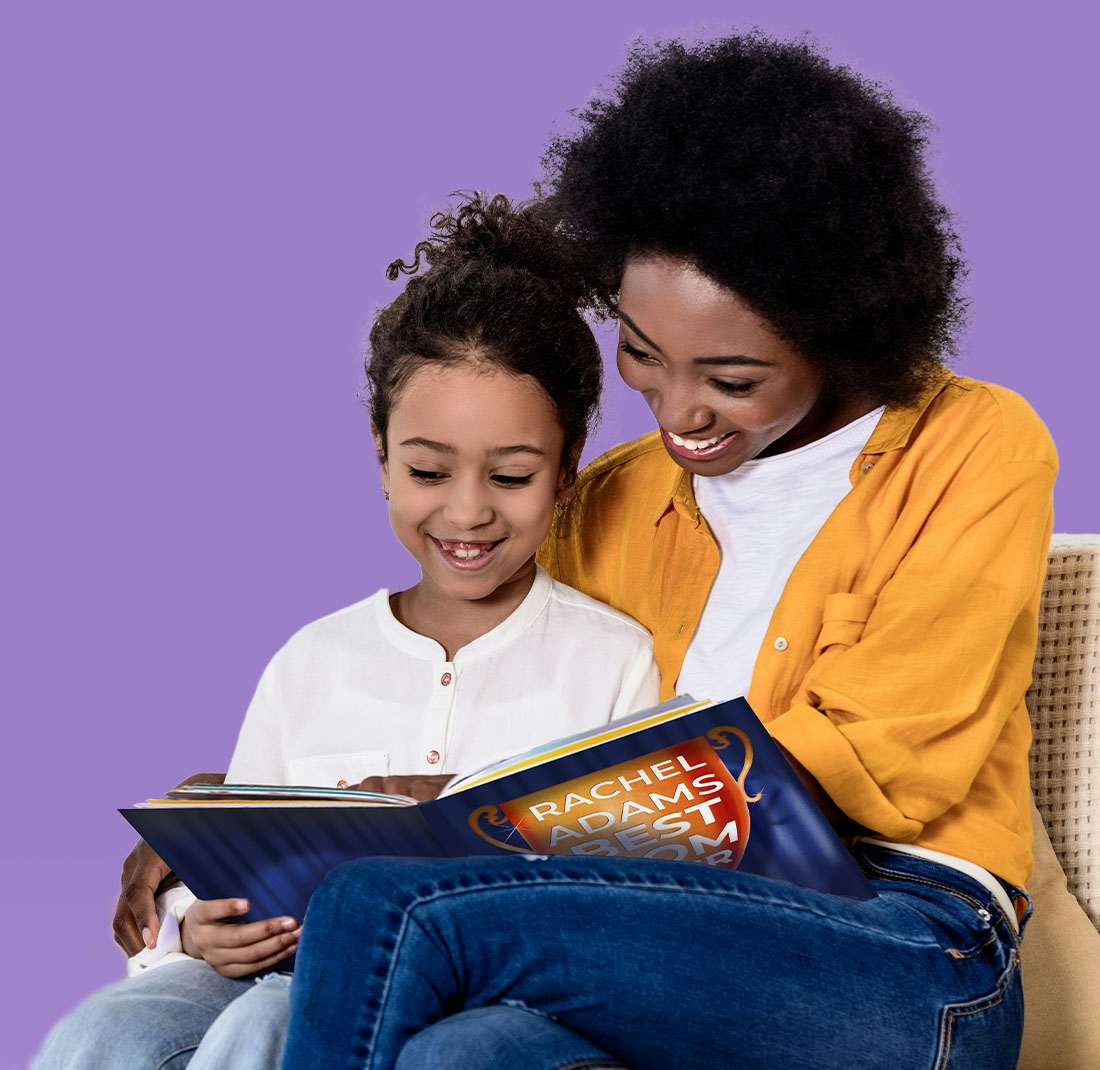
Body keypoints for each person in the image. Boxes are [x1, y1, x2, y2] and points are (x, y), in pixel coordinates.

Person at [274, 33, 1057, 1070]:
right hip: (655, 922)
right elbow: (506, 673)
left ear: (840, 327)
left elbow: (883, 765)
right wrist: (267, 819)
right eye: (641, 353)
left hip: (906, 945)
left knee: (391, 901)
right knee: (460, 1054)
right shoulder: (611, 499)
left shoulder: (973, 445)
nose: (679, 410)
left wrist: (494, 813)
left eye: (730, 378)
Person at [32, 194, 659, 1069]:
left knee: (270, 1027)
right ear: (380, 455)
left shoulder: (614, 661)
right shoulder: (314, 660)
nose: (467, 511)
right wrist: (200, 927)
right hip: (272, 966)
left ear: (566, 469)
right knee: (96, 1032)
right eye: (428, 470)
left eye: (511, 475)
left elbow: (628, 888)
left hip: (464, 980)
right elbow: (230, 864)